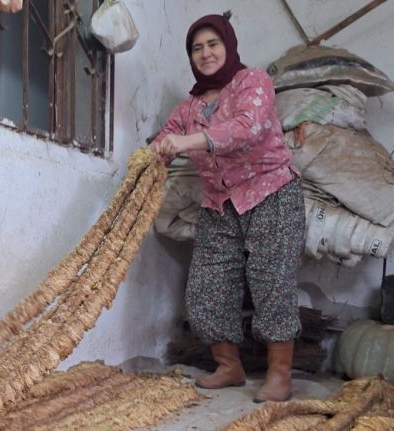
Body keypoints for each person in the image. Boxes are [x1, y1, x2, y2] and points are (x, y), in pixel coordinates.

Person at [150, 12, 305, 403]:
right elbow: (165, 138)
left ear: (229, 45)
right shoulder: (188, 108)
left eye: (213, 44)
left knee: (273, 282)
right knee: (206, 286)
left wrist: (189, 143)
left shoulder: (252, 81)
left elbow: (246, 127)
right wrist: (154, 154)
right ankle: (229, 366)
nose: (205, 53)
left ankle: (279, 374)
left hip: (271, 193)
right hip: (219, 205)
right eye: (197, 48)